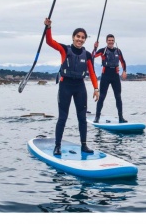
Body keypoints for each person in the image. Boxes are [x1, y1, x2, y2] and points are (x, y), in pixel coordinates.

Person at [44, 18, 100, 156]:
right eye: (78, 37)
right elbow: (49, 42)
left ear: (85, 40)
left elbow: (92, 72)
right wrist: (48, 27)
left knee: (82, 118)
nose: (80, 39)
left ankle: (84, 145)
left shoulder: (87, 55)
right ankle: (57, 146)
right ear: (73, 37)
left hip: (80, 87)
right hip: (65, 86)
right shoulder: (64, 49)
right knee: (62, 117)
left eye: (82, 38)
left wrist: (96, 88)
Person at [92, 34, 127, 123]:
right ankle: (97, 117)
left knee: (118, 97)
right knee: (102, 97)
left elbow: (122, 61)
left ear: (114, 41)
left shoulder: (118, 51)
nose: (111, 42)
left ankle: (120, 117)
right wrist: (95, 48)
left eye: (112, 40)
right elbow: (92, 56)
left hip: (115, 75)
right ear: (106, 41)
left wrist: (124, 71)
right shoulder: (103, 50)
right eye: (109, 40)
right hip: (105, 75)